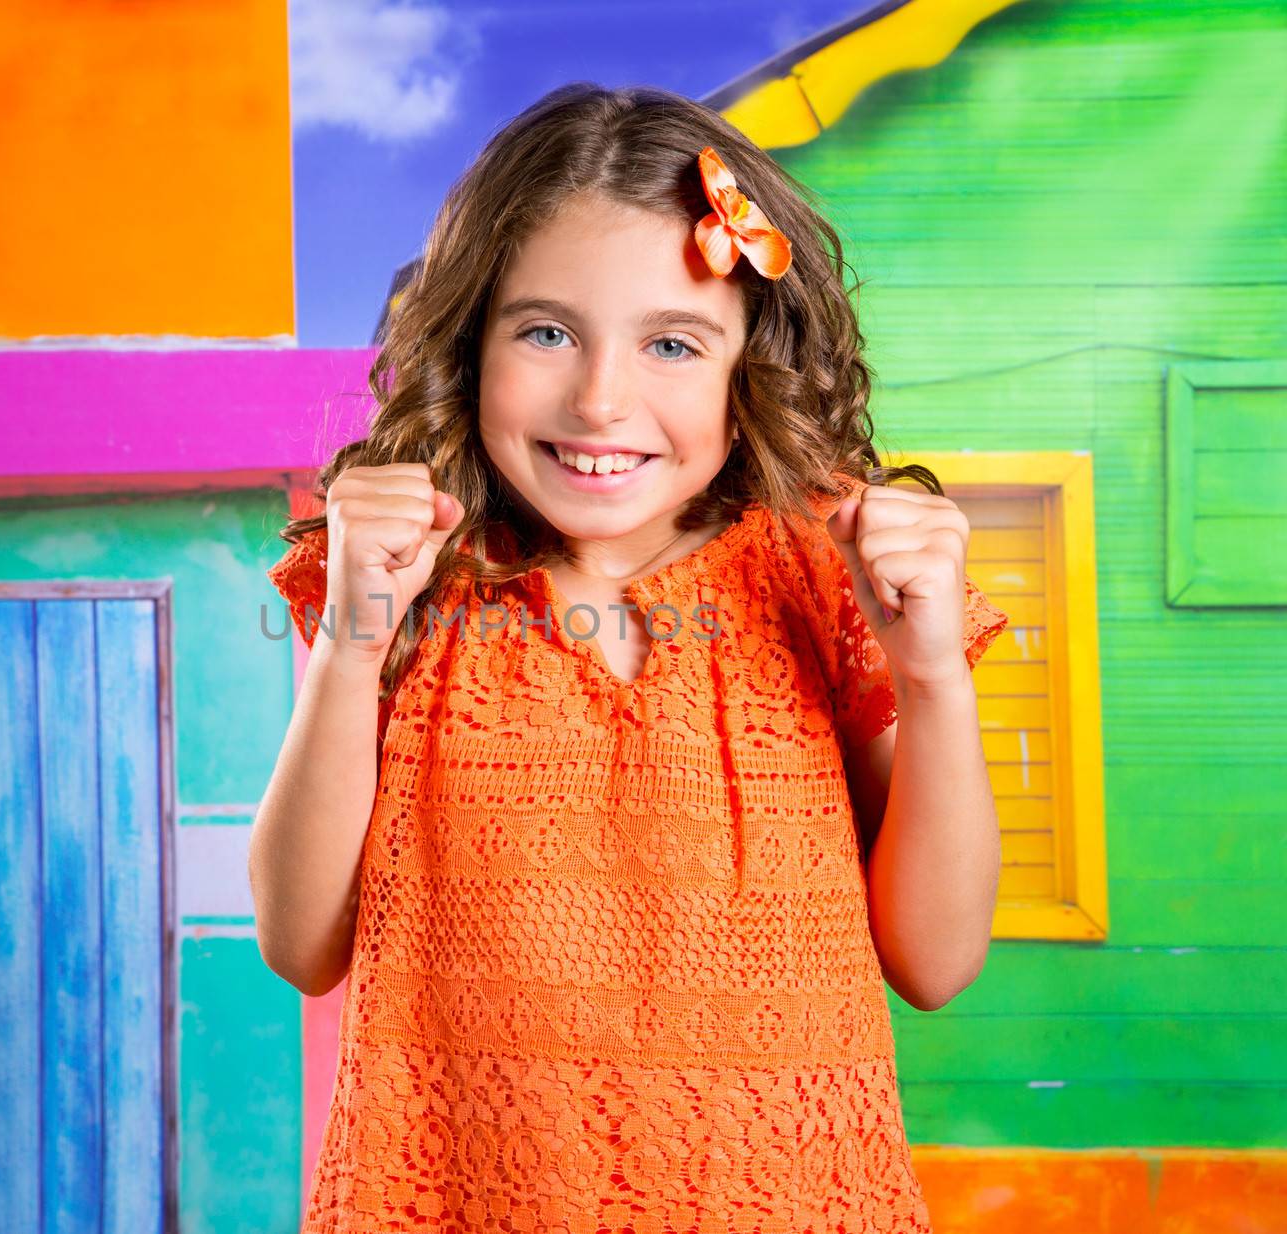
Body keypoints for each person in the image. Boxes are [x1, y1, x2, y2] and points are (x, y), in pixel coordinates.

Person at [250, 81, 1009, 1234]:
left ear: (749, 358)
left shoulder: (821, 575)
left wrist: (932, 677)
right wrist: (354, 643)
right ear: (470, 337)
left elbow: (939, 960)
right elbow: (303, 943)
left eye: (670, 342)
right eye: (546, 331)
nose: (601, 398)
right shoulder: (409, 580)